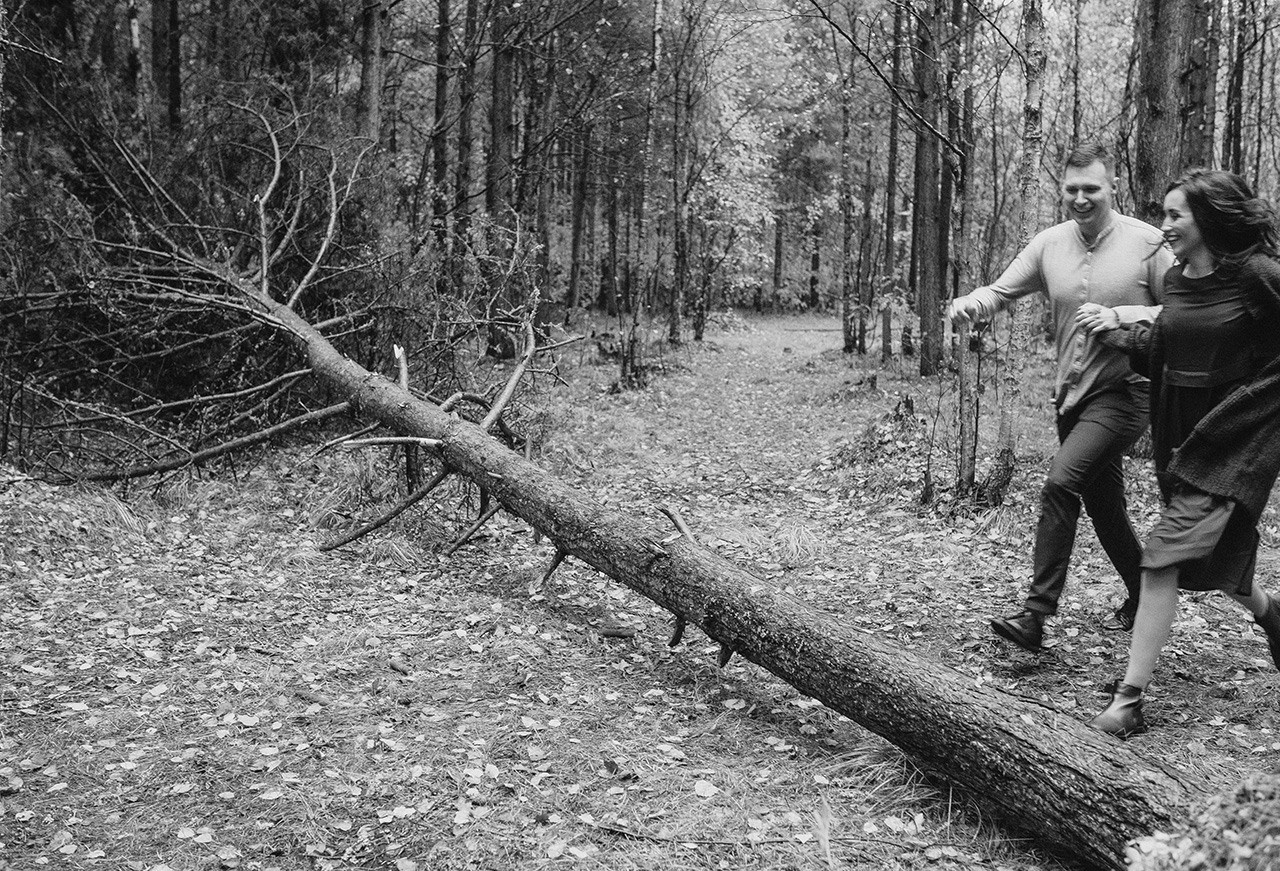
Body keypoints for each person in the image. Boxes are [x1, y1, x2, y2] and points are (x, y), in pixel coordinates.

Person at [948, 142, 1171, 653]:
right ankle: (1145, 594)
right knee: (1105, 506)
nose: (1081, 198)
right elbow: (1000, 291)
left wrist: (1123, 315)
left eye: (1092, 188)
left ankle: (1036, 613)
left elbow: (1184, 308)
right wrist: (970, 303)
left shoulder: (1148, 243)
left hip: (1127, 392)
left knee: (1060, 483)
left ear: (1112, 186)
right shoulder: (1049, 244)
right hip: (1071, 398)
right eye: (1072, 189)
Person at [1082, 168, 1280, 738]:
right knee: (1219, 566)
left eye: (1176, 215)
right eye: (1163, 214)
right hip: (1182, 442)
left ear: (1209, 219)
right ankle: (1272, 615)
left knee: (1161, 557)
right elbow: (1165, 349)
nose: (1164, 224)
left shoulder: (1258, 274)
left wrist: (1255, 406)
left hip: (1235, 443)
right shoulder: (1177, 279)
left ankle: (1129, 700)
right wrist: (1115, 333)